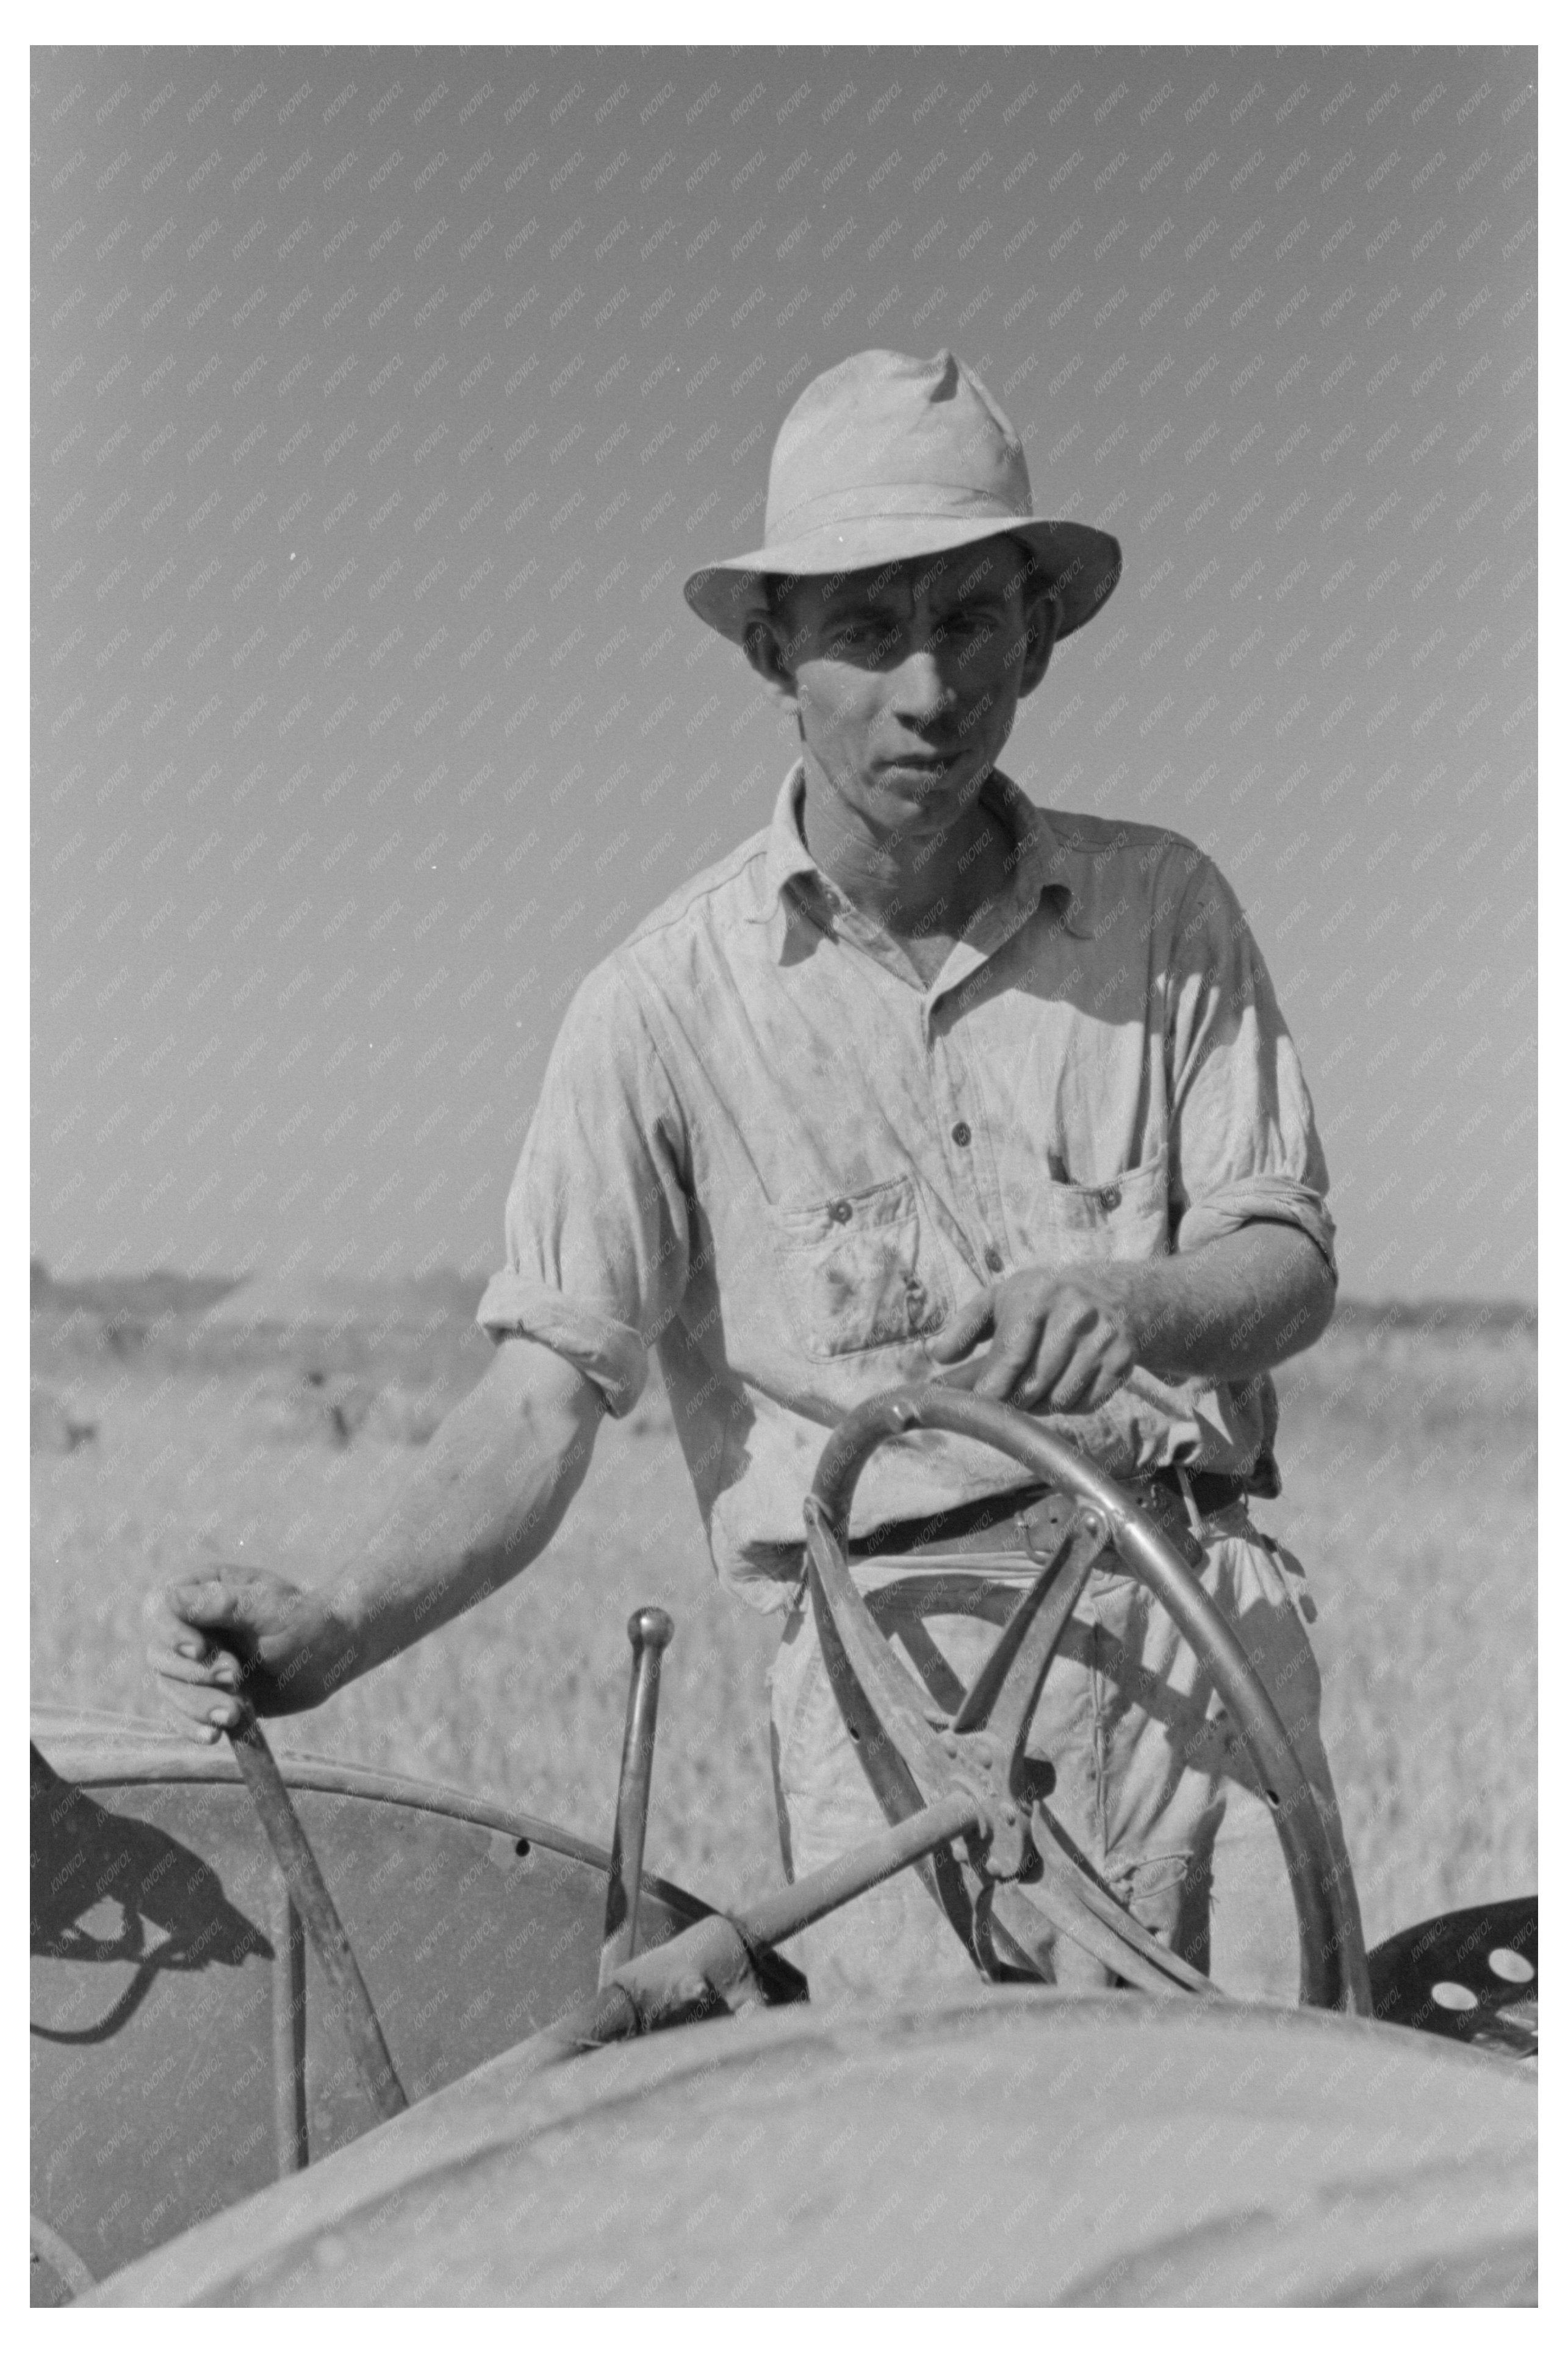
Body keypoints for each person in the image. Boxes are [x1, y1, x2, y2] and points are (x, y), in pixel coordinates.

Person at [149, 348, 1367, 2006]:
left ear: (1041, 630)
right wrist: (337, 1626)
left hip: (1197, 1670)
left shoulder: (1167, 918)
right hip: (891, 1712)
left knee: (1280, 2204)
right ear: (770, 649)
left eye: (970, 619)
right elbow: (537, 1402)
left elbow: (1282, 1262)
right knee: (932, 2223)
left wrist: (1133, 1302)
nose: (927, 690)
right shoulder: (657, 1007)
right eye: (865, 629)